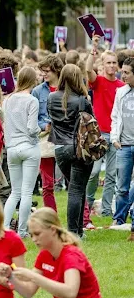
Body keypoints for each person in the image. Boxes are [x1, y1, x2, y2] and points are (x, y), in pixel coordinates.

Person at [0, 208, 101, 298]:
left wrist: (33, 276)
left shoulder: (71, 255)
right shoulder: (45, 254)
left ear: (53, 230)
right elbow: (28, 292)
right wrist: (10, 276)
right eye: (31, 235)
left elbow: (70, 293)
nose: (34, 239)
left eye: (37, 234)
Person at [47, 64, 94, 237]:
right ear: (77, 78)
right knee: (76, 190)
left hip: (59, 149)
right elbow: (91, 122)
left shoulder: (51, 97)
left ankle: (79, 231)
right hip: (78, 148)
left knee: (77, 188)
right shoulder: (82, 100)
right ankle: (73, 233)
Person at [85, 36, 121, 222]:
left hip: (115, 134)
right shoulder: (98, 81)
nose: (112, 66)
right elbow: (87, 69)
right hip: (98, 134)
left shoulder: (122, 87)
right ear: (103, 64)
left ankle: (106, 210)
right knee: (93, 172)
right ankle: (88, 203)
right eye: (108, 62)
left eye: (114, 62)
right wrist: (94, 48)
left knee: (111, 175)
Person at [3, 67, 41, 238]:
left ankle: (4, 228)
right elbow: (32, 128)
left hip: (12, 147)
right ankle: (22, 231)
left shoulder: (7, 100)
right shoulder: (32, 100)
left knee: (15, 192)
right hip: (28, 146)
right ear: (33, 81)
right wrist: (39, 131)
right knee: (26, 193)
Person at [32, 54, 63, 211]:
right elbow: (33, 118)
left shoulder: (66, 88)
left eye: (47, 71)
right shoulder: (37, 91)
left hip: (66, 138)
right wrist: (44, 126)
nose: (43, 74)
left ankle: (83, 220)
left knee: (74, 182)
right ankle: (52, 219)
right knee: (47, 184)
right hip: (45, 140)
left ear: (56, 70)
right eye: (42, 71)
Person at [108, 57, 134, 240]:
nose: (122, 75)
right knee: (122, 186)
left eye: (127, 72)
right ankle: (119, 219)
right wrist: (114, 137)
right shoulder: (121, 92)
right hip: (123, 145)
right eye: (122, 71)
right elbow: (115, 116)